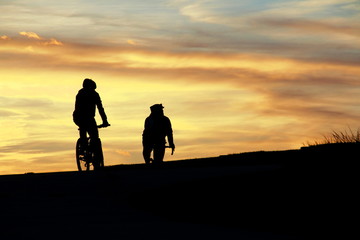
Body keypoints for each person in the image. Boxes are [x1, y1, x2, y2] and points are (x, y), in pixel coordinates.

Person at [73, 79, 110, 162]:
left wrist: (105, 120)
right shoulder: (81, 94)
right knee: (83, 128)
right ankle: (83, 147)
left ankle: (94, 151)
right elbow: (79, 108)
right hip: (80, 117)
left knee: (95, 137)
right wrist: (105, 121)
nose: (92, 90)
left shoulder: (94, 94)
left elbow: (100, 108)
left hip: (88, 117)